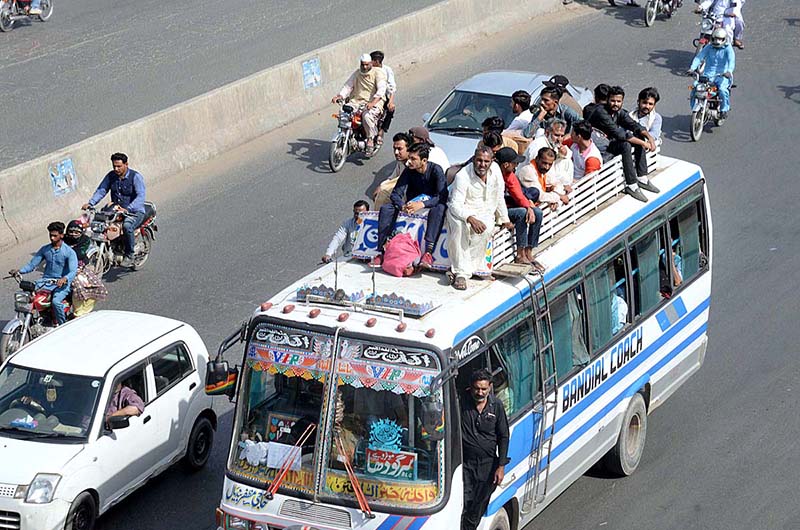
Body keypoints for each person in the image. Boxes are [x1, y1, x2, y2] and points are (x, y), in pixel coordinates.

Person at [372, 143, 448, 270]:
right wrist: (402, 206)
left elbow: (442, 196)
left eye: (413, 159)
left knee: (440, 208)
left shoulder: (436, 170)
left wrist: (422, 204)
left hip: (429, 205)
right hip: (411, 205)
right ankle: (382, 250)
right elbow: (396, 194)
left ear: (424, 161)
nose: (409, 162)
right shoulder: (408, 171)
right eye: (409, 158)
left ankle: (428, 253)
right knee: (387, 208)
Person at [446, 146, 512, 291]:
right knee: (460, 227)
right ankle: (460, 274)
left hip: (484, 213)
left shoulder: (495, 171)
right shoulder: (463, 175)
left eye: (486, 161)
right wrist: (470, 218)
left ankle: (473, 269)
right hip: (461, 211)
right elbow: (455, 205)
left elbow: (499, 195)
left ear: (492, 161)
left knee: (486, 228)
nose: (482, 164)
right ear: (474, 159)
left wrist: (504, 218)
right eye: (479, 160)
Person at [584, 85, 657, 203]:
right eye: (612, 101)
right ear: (607, 100)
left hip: (611, 142)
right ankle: (631, 184)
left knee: (638, 137)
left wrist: (649, 138)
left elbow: (633, 125)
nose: (615, 104)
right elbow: (619, 134)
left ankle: (642, 177)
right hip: (600, 147)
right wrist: (645, 144)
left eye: (618, 101)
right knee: (626, 145)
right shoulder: (601, 112)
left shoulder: (619, 112)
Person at [460, 368, 509, 530]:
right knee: (465, 504)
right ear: (470, 388)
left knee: (477, 507)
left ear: (490, 387)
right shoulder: (461, 403)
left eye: (483, 389)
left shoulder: (496, 406)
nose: (480, 393)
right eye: (476, 388)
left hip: (488, 467)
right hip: (465, 465)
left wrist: (500, 467)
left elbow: (503, 436)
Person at [82, 152, 147, 267]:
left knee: (127, 226)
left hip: (134, 212)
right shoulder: (111, 176)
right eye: (114, 166)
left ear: (126, 164)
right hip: (115, 210)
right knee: (98, 223)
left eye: (119, 166)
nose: (116, 169)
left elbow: (140, 196)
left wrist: (127, 209)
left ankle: (130, 254)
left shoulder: (135, 177)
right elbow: (102, 190)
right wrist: (91, 203)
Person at [9, 222, 77, 325]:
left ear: (61, 235)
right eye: (51, 235)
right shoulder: (45, 249)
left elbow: (73, 271)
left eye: (55, 235)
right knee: (28, 298)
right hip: (45, 282)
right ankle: (32, 322)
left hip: (61, 285)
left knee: (56, 302)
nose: (52, 238)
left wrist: (64, 279)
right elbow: (32, 265)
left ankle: (62, 326)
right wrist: (19, 270)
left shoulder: (69, 252)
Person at [496, 148, 544, 270]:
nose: (516, 166)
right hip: (496, 211)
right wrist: (526, 208)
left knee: (537, 212)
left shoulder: (510, 175)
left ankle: (528, 252)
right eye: (514, 163)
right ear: (506, 164)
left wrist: (529, 207)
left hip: (506, 206)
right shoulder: (494, 175)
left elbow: (518, 194)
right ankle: (520, 253)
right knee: (521, 213)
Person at [332, 54, 387, 156]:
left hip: (373, 102)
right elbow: (348, 86)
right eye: (363, 65)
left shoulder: (378, 73)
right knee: (344, 112)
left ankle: (370, 139)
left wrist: (373, 103)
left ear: (371, 63)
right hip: (356, 101)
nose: (365, 67)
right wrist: (340, 96)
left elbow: (381, 89)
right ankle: (345, 134)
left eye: (367, 65)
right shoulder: (357, 73)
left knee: (367, 116)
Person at [689, 28, 736, 120]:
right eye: (716, 38)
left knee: (722, 90)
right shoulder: (709, 47)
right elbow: (699, 57)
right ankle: (694, 108)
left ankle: (724, 109)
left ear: (724, 39)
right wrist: (692, 68)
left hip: (722, 76)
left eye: (720, 39)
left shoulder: (728, 48)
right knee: (695, 88)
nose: (717, 41)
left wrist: (729, 71)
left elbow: (731, 61)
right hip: (708, 75)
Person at [523, 118, 574, 191]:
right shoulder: (538, 145)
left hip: (546, 179)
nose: (559, 139)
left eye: (562, 136)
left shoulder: (553, 144)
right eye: (556, 135)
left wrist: (564, 153)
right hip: (531, 182)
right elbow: (540, 169)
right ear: (547, 133)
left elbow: (569, 154)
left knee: (567, 161)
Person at [373, 132, 412, 209]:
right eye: (394, 148)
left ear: (409, 149)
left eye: (400, 149)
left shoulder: (412, 166)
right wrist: (381, 186)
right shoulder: (400, 162)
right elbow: (392, 177)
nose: (396, 152)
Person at [371, 51, 396, 145]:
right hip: (369, 96)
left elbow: (391, 87)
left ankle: (381, 131)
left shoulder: (387, 70)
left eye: (372, 61)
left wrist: (391, 101)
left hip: (382, 97)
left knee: (390, 110)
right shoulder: (368, 69)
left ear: (376, 61)